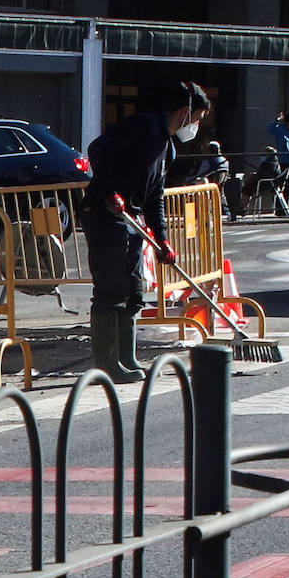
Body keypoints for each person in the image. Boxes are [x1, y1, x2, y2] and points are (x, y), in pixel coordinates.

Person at [80, 81, 210, 383]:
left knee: (134, 291)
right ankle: (106, 363)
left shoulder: (168, 149)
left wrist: (162, 238)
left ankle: (126, 356)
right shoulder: (143, 127)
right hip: (104, 214)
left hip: (132, 219)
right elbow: (98, 151)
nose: (196, 125)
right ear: (184, 110)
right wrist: (110, 192)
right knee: (111, 290)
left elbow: (155, 198)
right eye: (198, 117)